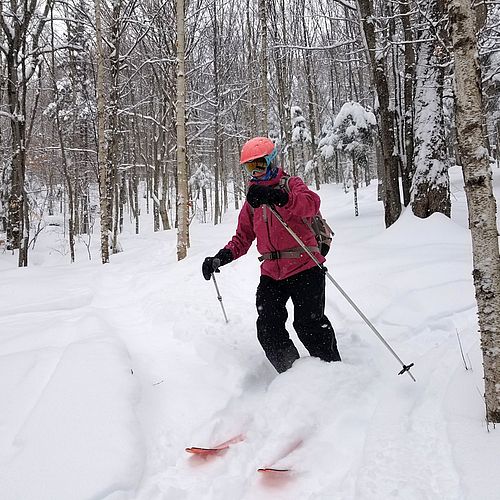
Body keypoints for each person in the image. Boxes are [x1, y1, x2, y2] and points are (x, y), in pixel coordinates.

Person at [202, 137, 341, 373]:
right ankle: (293, 375)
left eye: (260, 165)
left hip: (305, 266)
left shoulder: (291, 185)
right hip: (272, 274)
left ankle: (334, 374)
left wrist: (280, 197)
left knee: (308, 325)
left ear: (271, 161)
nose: (255, 172)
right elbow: (243, 237)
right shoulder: (253, 201)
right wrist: (220, 257)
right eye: (249, 167)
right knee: (268, 327)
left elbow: (311, 204)